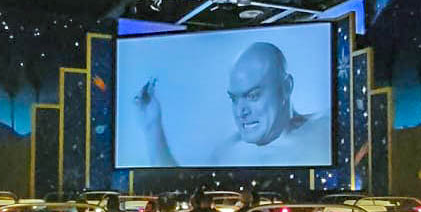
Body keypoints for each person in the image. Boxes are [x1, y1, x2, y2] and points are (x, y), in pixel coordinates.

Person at [135, 42, 331, 166]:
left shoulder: (327, 130)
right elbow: (179, 190)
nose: (241, 111)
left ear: (286, 86)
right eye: (234, 99)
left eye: (253, 96)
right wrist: (153, 127)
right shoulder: (228, 153)